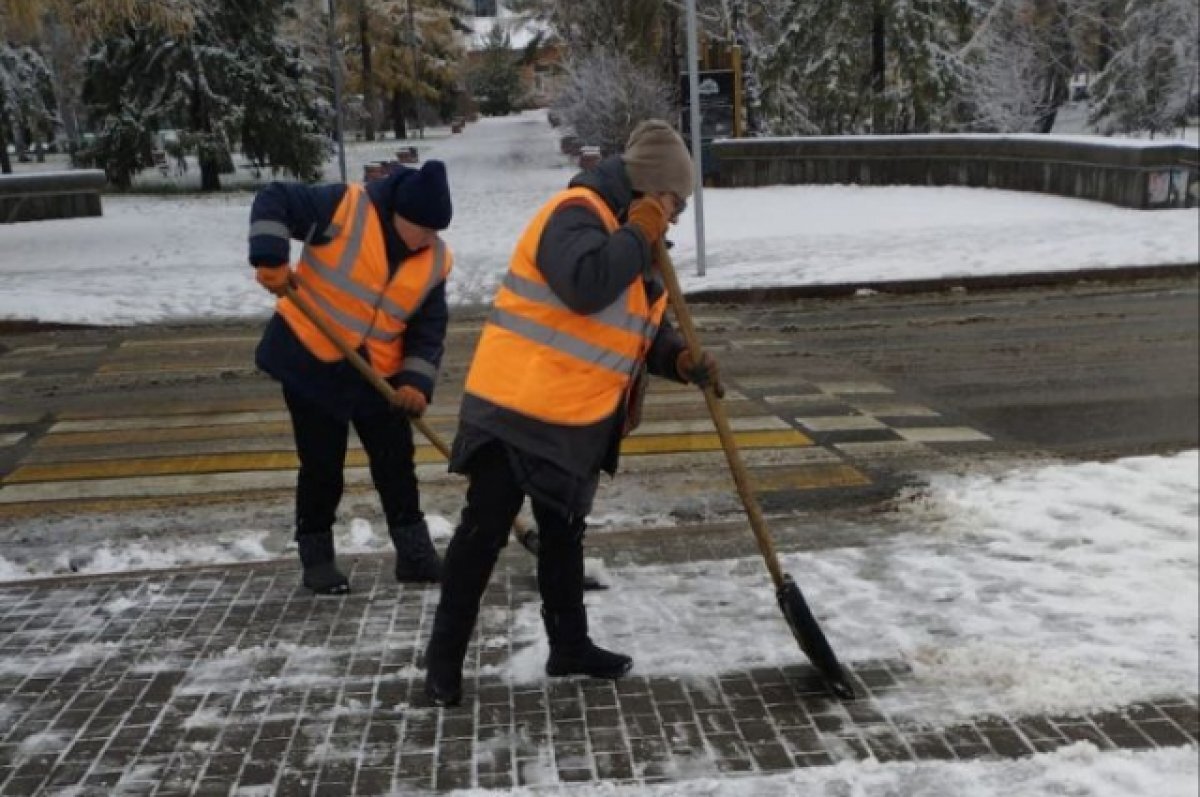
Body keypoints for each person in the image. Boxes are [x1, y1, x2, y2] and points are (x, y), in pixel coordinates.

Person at [422, 120, 721, 706]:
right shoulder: (576, 212)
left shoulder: (641, 238)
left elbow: (636, 326)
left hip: (575, 421)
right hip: (515, 409)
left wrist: (679, 359)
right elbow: (586, 285)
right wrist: (641, 233)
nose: (677, 217)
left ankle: (569, 645)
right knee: (482, 535)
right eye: (674, 202)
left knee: (563, 536)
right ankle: (443, 663)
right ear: (649, 189)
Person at [248, 160, 454, 595]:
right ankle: (317, 558)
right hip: (311, 359)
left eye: (435, 232)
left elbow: (428, 327)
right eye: (422, 229)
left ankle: (415, 557)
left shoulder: (433, 260)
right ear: (400, 214)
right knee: (323, 465)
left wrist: (415, 383)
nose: (427, 240)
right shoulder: (345, 207)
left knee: (397, 464)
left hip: (378, 372)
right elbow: (276, 197)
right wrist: (271, 255)